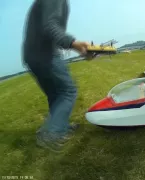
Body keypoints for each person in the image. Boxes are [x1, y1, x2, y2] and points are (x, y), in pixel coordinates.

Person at [22, 0, 90, 152]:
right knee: (67, 91)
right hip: (44, 55)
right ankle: (52, 133)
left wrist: (78, 49)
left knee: (56, 95)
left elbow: (48, 30)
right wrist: (73, 43)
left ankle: (60, 127)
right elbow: (50, 26)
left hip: (33, 55)